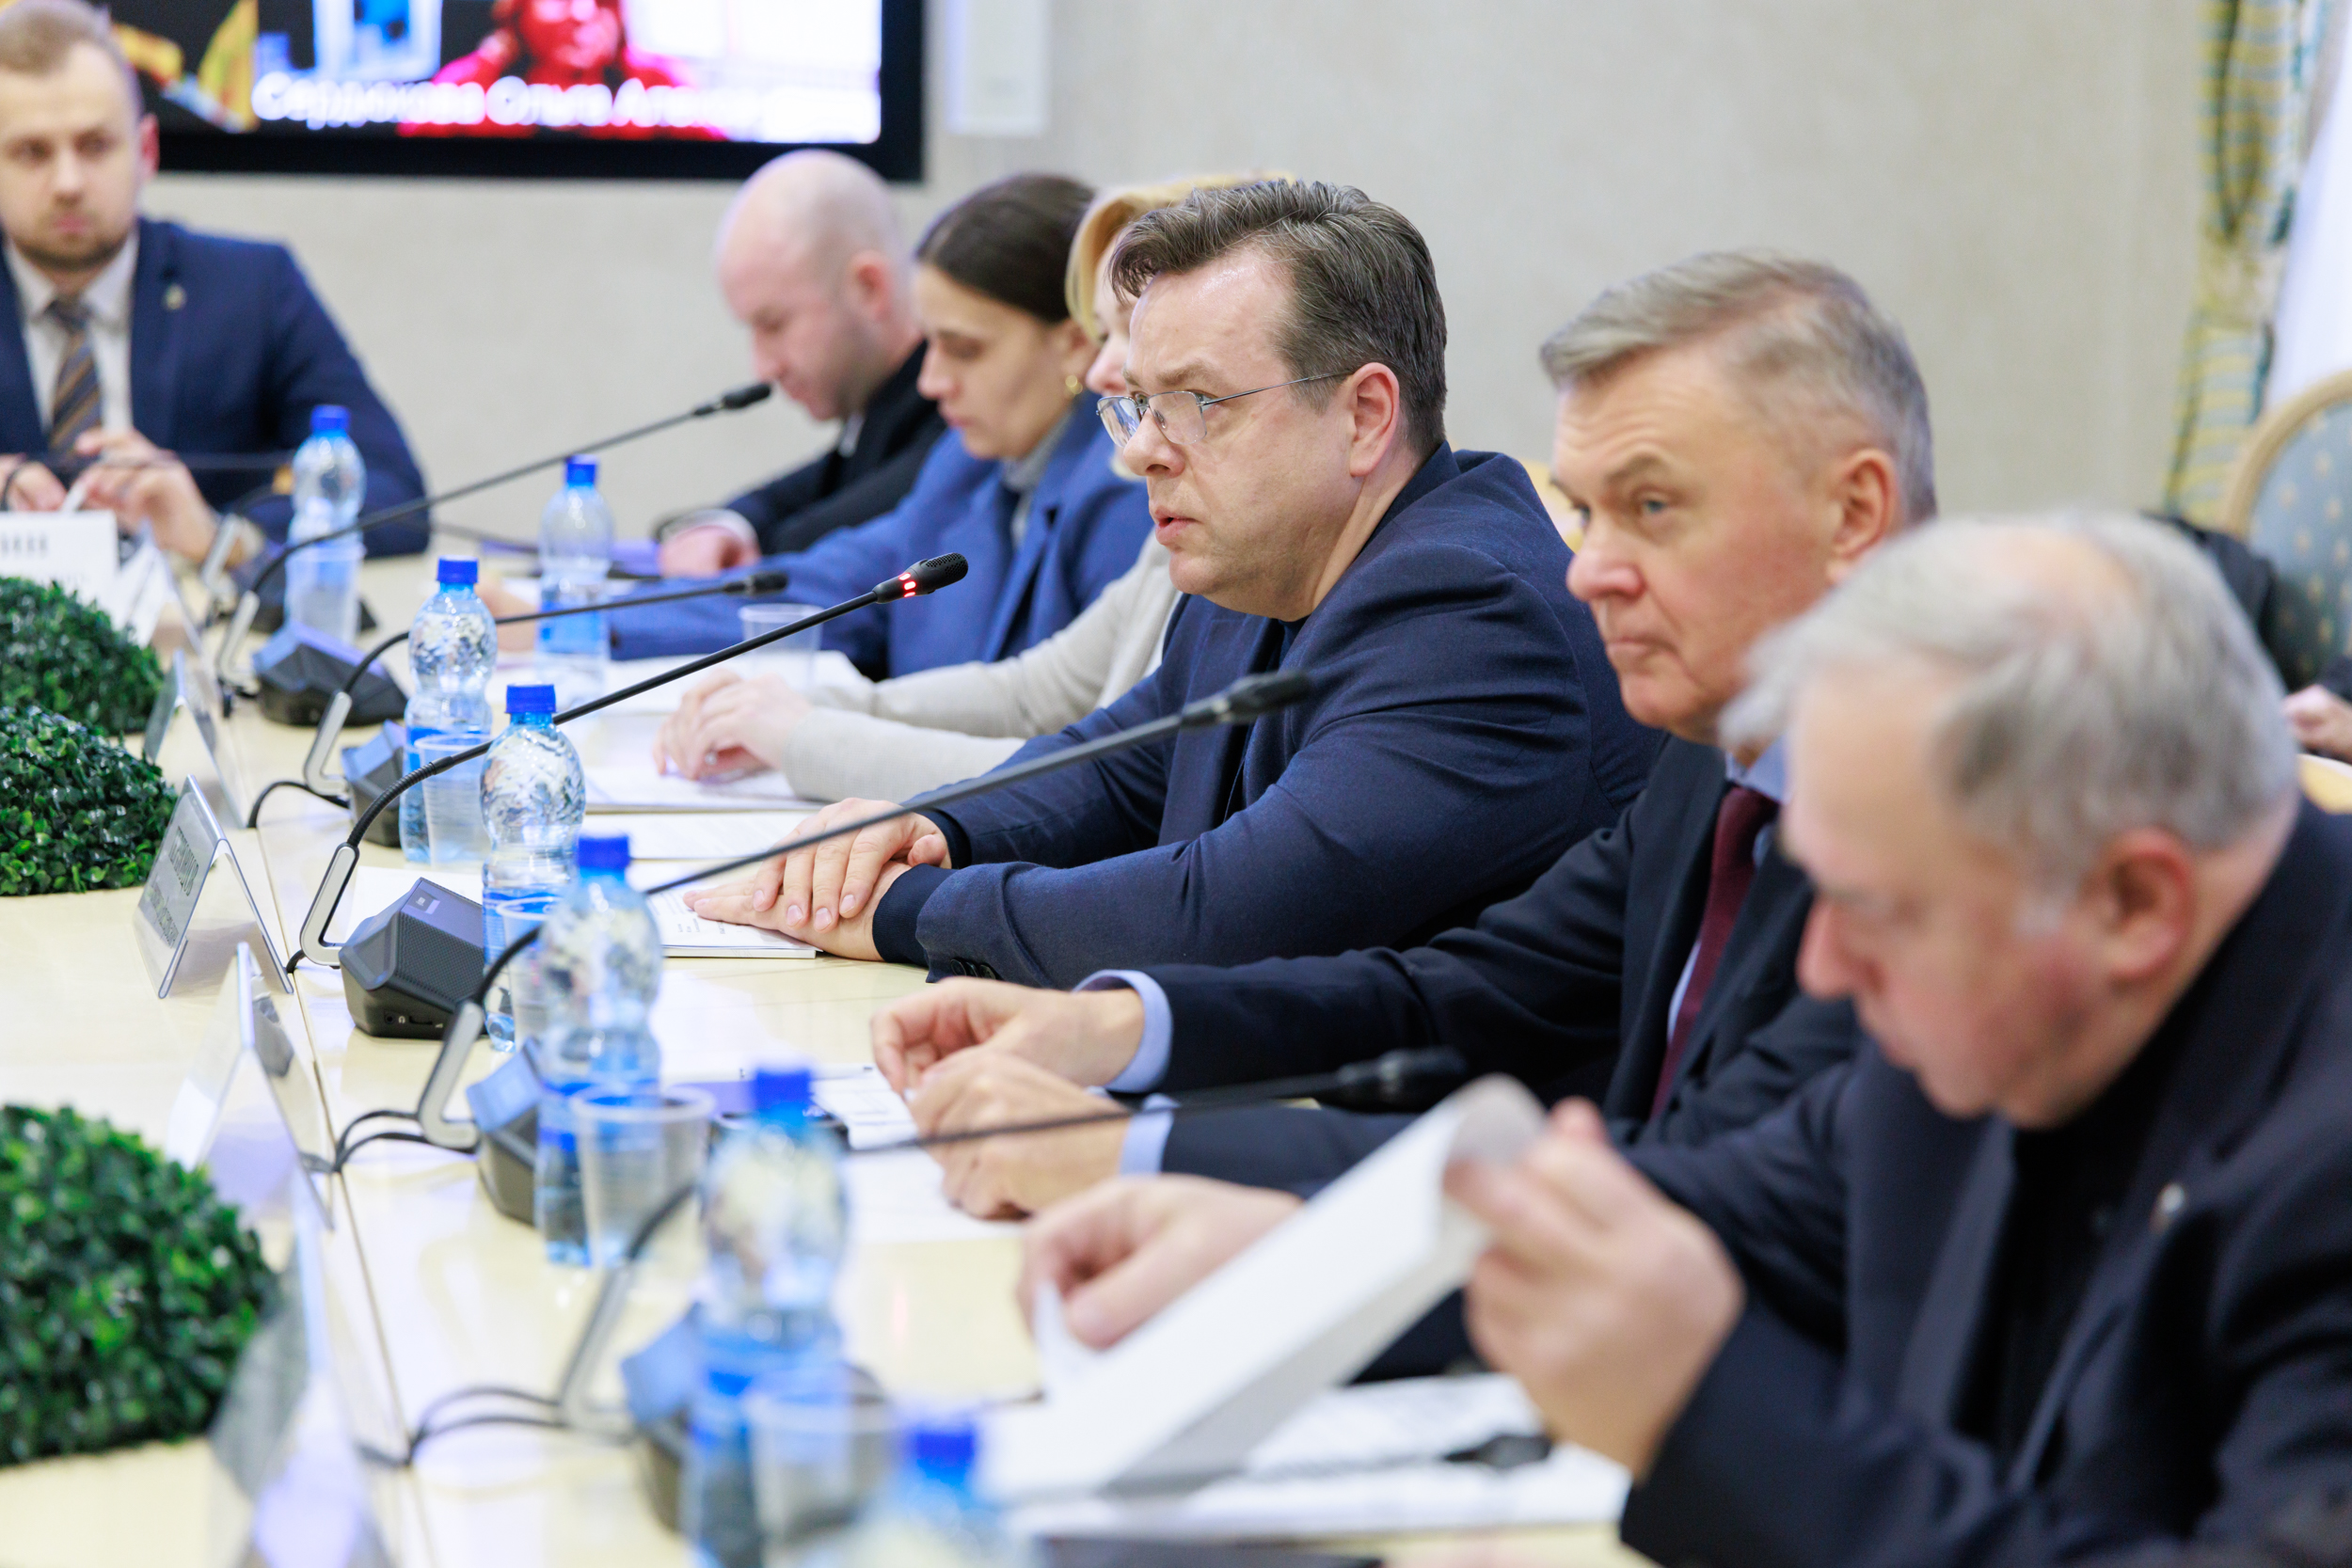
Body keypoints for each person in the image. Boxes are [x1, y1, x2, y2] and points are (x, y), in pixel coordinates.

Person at [1027, 513, 2352, 1568]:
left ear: (2133, 904)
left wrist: (1710, 1405)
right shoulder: (2000, 983)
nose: (1822, 967)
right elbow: (1717, 1208)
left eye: (1873, 909)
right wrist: (1303, 1257)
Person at [862, 252, 1925, 1218]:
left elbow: (1695, 1191)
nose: (1592, 571)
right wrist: (1119, 1025)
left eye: (1652, 507)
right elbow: (1461, 991)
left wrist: (1132, 1151)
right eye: (1591, 513)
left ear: (1852, 516)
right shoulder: (1717, 755)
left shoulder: (1936, 836)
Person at [682, 182, 1660, 1044]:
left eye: (1198, 401)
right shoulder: (1263, 563)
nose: (1140, 449)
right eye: (1140, 403)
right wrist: (932, 828)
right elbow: (1120, 767)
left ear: (1364, 416)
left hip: (1444, 1156)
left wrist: (909, 908)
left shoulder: (1470, 613)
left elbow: (1226, 914)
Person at [651, 176, 1266, 804]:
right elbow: (1031, 694)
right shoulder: (967, 462)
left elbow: (1101, 782)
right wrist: (798, 709)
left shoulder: (1132, 499)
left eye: (964, 348)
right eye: (1108, 334)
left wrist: (803, 735)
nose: (1104, 369)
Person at [600, 172, 1151, 673]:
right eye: (930, 345)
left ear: (1074, 343)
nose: (931, 381)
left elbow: (1049, 718)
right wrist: (586, 622)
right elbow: (827, 589)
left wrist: (819, 726)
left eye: (963, 349)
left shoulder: (1120, 495)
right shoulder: (964, 465)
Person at [0, 0, 426, 563]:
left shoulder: (254, 289)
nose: (69, 183)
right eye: (31, 153)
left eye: (95, 146)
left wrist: (223, 535)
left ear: (146, 151)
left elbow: (397, 496)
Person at [653, 150, 945, 575]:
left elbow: (850, 523)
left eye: (774, 325)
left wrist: (750, 556)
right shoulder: (885, 407)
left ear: (868, 288)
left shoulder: (954, 413)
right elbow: (824, 482)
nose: (764, 369)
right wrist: (730, 525)